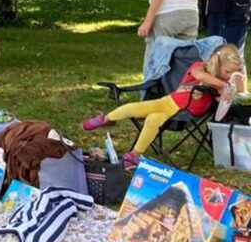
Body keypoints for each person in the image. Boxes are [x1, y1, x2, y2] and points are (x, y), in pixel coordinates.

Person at [82, 44, 245, 166]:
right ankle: (106, 119)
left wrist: (231, 87)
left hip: (185, 114)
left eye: (234, 72)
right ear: (216, 64)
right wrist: (223, 85)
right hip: (169, 103)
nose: (230, 76)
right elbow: (200, 76)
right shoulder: (199, 67)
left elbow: (221, 104)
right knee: (133, 108)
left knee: (153, 120)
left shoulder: (223, 84)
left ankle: (134, 155)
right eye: (228, 72)